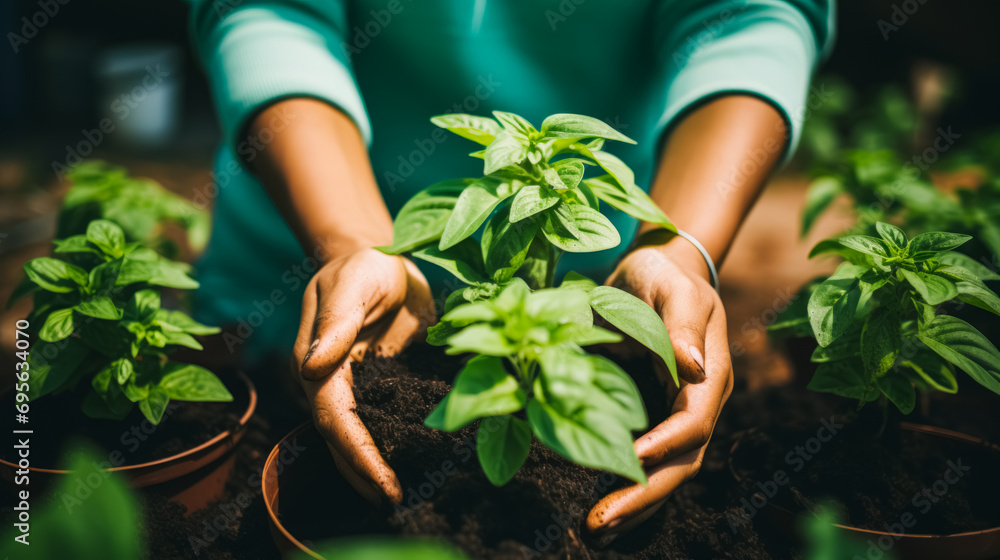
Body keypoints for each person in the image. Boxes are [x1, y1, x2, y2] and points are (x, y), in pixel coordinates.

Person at [189, 0, 833, 540]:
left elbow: (748, 16)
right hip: (293, 280)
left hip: (597, 300)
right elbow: (271, 13)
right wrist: (353, 242)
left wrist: (674, 251)